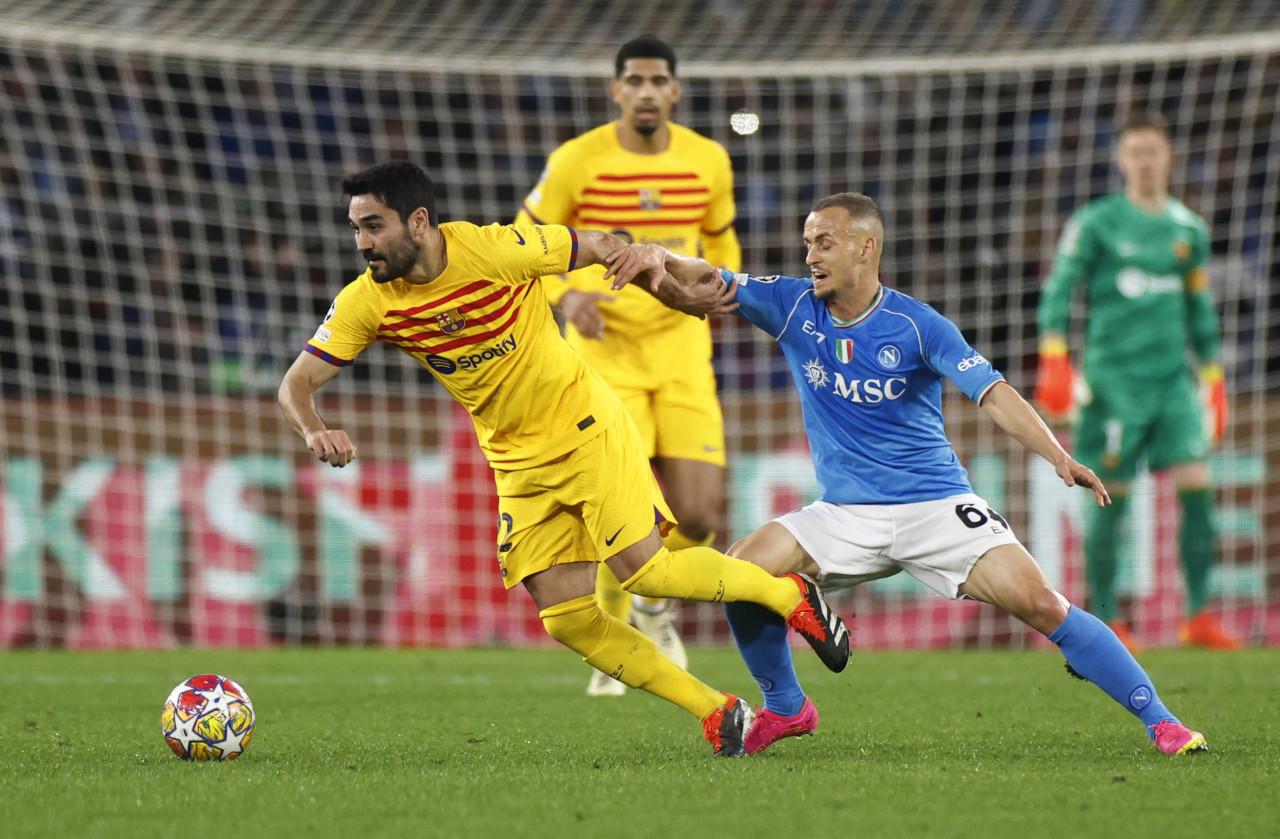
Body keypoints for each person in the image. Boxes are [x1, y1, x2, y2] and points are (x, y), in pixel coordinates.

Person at [277, 161, 849, 758]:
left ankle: (792, 599)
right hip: (517, 464)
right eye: (356, 229)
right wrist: (315, 429)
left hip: (583, 427)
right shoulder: (367, 302)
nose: (362, 243)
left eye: (373, 226)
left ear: (418, 221)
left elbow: (602, 246)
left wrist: (665, 282)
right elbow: (295, 385)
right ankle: (718, 710)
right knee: (567, 619)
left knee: (645, 571)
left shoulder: (497, 249)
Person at [605, 192, 1209, 757]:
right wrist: (659, 254)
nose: (810, 255)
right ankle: (787, 708)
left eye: (824, 242)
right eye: (808, 243)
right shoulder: (790, 305)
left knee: (1041, 603)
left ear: (866, 248)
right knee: (738, 572)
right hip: (843, 513)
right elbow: (707, 278)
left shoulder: (918, 325)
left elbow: (991, 392)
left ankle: (1162, 720)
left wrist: (1057, 455)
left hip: (935, 506)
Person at [515, 35, 741, 695]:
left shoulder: (709, 160)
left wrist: (723, 287)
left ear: (675, 90)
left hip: (681, 353)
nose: (646, 91)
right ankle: (622, 639)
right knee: (623, 509)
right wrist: (568, 294)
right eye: (634, 81)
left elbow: (721, 240)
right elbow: (525, 244)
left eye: (658, 80)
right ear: (616, 90)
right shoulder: (575, 162)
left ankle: (651, 608)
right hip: (603, 356)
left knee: (698, 515)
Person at [1035, 112, 1240, 653]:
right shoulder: (1096, 222)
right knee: (1110, 501)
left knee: (1199, 491)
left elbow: (1198, 307)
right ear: (1121, 159)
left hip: (1173, 384)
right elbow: (1060, 291)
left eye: (1154, 150)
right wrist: (1055, 358)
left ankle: (1197, 616)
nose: (1145, 161)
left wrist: (1213, 378)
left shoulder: (1187, 229)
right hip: (1113, 386)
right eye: (1135, 152)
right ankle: (1108, 618)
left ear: (1168, 157)